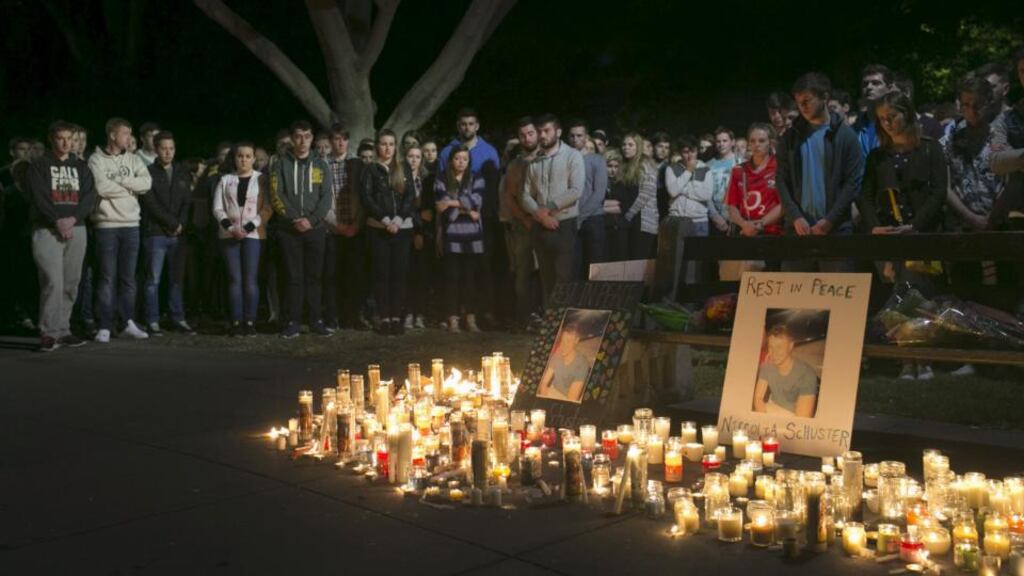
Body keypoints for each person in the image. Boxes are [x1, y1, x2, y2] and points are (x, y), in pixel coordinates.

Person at [859, 92, 948, 380]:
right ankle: (906, 360)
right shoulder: (877, 157)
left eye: (892, 116)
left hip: (921, 235)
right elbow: (866, 196)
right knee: (898, 301)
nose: (888, 124)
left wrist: (917, 225)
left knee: (921, 299)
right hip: (889, 238)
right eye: (882, 119)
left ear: (907, 114)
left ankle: (923, 360)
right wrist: (874, 226)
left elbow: (938, 192)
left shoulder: (929, 149)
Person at [776, 72, 864, 272]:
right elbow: (781, 180)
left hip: (836, 231)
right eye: (799, 102)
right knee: (795, 300)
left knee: (837, 299)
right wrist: (795, 215)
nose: (802, 107)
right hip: (797, 231)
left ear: (825, 97)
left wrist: (829, 220)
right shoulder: (791, 137)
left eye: (807, 100)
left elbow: (852, 183)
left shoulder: (845, 136)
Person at [27, 121, 96, 351]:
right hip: (47, 229)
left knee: (71, 282)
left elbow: (89, 197)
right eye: (61, 138)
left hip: (76, 229)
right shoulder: (39, 165)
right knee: (52, 281)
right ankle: (48, 331)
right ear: (51, 139)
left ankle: (63, 329)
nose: (66, 143)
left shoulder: (82, 166)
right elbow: (39, 196)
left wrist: (73, 219)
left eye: (70, 138)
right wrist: (56, 220)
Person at [88, 117, 152, 342]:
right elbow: (100, 187)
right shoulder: (96, 159)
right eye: (125, 134)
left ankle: (126, 322)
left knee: (128, 278)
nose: (129, 138)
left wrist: (122, 183)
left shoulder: (134, 159)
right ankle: (104, 325)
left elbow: (146, 183)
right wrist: (129, 185)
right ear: (113, 135)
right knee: (106, 277)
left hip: (131, 225)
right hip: (106, 225)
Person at [438, 108, 502, 327]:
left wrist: (477, 211)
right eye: (463, 123)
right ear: (458, 126)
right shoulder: (447, 152)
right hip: (454, 226)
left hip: (482, 221)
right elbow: (442, 196)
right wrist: (465, 209)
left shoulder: (489, 151)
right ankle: (454, 315)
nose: (467, 127)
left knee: (480, 270)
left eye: (471, 123)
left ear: (477, 126)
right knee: (453, 274)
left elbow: (487, 192)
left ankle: (483, 313)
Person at [270, 120, 334, 338]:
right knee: (292, 277)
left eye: (307, 136)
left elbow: (326, 197)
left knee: (314, 277)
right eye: (298, 136)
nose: (303, 141)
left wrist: (312, 220)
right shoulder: (280, 164)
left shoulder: (321, 165)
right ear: (292, 138)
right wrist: (294, 219)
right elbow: (276, 195)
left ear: (312, 139)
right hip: (288, 230)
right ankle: (293, 322)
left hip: (315, 230)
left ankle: (316, 320)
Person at [521, 114, 585, 303]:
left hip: (564, 225)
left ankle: (565, 326)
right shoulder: (535, 161)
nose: (542, 135)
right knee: (546, 278)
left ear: (558, 132)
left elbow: (576, 190)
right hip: (541, 226)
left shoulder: (572, 156)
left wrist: (547, 209)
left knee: (564, 278)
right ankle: (550, 324)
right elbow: (525, 194)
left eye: (546, 131)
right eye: (540, 131)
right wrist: (540, 216)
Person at [360, 129, 415, 335]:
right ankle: (384, 317)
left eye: (391, 144)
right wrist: (384, 219)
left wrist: (399, 219)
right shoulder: (370, 169)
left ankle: (395, 317)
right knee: (382, 273)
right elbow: (367, 198)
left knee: (399, 274)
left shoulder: (404, 168)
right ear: (377, 146)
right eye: (383, 144)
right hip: (379, 228)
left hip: (402, 229)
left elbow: (410, 195)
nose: (387, 148)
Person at [214, 142, 271, 337]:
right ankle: (236, 322)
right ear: (234, 158)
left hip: (253, 235)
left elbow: (266, 209)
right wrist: (230, 227)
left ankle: (250, 321)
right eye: (240, 156)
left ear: (254, 159)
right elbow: (217, 208)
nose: (244, 160)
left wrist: (247, 227)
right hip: (228, 235)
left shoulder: (261, 180)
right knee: (234, 279)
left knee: (250, 280)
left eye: (248, 156)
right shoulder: (225, 180)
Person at [140, 131, 194, 335]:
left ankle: (177, 318)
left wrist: (181, 224)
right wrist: (171, 223)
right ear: (156, 149)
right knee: (153, 279)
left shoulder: (181, 171)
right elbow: (150, 203)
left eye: (171, 148)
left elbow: (187, 202)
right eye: (164, 148)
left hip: (178, 234)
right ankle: (152, 320)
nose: (168, 152)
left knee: (176, 279)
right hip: (156, 233)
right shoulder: (148, 171)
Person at [436, 145, 485, 333]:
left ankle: (470, 318)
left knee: (470, 279)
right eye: (457, 158)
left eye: (464, 159)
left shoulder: (476, 177)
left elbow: (477, 201)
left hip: (473, 237)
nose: (461, 162)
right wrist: (467, 209)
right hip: (452, 235)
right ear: (451, 160)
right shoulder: (442, 178)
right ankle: (452, 318)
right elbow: (443, 208)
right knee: (452, 278)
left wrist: (451, 202)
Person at [322, 124, 365, 332]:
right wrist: (336, 225)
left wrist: (356, 224)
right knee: (332, 275)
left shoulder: (356, 164)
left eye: (343, 139)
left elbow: (364, 195)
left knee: (354, 274)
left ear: (348, 141)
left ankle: (353, 317)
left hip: (354, 226)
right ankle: (333, 317)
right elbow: (321, 200)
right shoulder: (323, 165)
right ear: (330, 141)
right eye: (336, 139)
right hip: (333, 227)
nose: (340, 143)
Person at [500, 117, 540, 331]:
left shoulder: (547, 159)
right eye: (523, 135)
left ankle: (546, 317)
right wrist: (525, 220)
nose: (527, 138)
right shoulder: (516, 164)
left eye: (530, 133)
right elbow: (510, 196)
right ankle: (524, 318)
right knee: (523, 273)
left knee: (547, 274)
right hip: (522, 226)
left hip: (546, 224)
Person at [663, 135, 712, 284]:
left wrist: (684, 189)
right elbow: (672, 191)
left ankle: (693, 301)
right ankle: (675, 297)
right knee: (675, 263)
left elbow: (706, 194)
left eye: (692, 151)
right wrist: (688, 172)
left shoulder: (705, 169)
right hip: (678, 220)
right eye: (685, 152)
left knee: (696, 264)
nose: (689, 155)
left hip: (699, 222)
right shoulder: (672, 169)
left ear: (697, 151)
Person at [566, 120, 609, 278]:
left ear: (586, 137)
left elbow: (599, 193)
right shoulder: (565, 160)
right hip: (571, 219)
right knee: (573, 266)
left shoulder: (597, 160)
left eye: (579, 135)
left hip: (592, 219)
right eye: (572, 136)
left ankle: (595, 302)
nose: (575, 139)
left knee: (594, 267)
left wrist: (580, 216)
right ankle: (574, 301)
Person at [725, 123, 783, 238]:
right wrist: (744, 224)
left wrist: (760, 224)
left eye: (761, 141)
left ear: (770, 143)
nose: (757, 145)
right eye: (752, 141)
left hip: (773, 233)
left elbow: (784, 204)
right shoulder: (738, 170)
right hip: (745, 232)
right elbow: (732, 205)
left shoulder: (780, 168)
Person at [752, 324, 819, 418]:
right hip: (770, 409)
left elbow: (802, 418)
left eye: (779, 347)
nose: (773, 353)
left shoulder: (807, 374)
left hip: (792, 416)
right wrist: (765, 421)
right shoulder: (767, 366)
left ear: (791, 346)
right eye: (771, 347)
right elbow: (758, 398)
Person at [404, 144, 431, 330]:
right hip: (405, 231)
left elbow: (428, 209)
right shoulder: (400, 179)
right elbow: (403, 207)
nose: (414, 160)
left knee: (422, 275)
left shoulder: (427, 180)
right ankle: (407, 313)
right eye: (410, 156)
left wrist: (421, 231)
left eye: (417, 157)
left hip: (424, 232)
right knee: (406, 275)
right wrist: (416, 221)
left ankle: (420, 314)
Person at [536, 320, 590, 403]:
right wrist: (544, 399)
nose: (564, 345)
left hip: (566, 399)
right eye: (562, 340)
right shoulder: (557, 355)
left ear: (576, 341)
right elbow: (543, 382)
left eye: (568, 341)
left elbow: (571, 399)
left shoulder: (582, 364)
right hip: (551, 392)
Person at [855, 64, 897, 157]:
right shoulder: (855, 128)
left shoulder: (899, 125)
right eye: (865, 84)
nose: (869, 87)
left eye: (876, 83)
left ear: (889, 88)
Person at [707, 126, 738, 235]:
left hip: (738, 218)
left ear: (732, 142)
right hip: (717, 219)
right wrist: (715, 217)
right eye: (718, 141)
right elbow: (707, 195)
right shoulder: (709, 165)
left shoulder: (741, 162)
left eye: (725, 141)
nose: (721, 144)